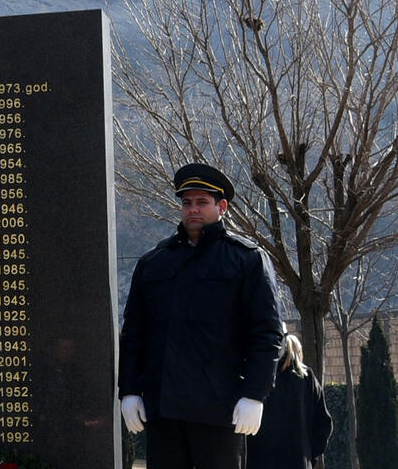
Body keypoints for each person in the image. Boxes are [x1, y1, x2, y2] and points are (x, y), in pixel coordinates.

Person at [118, 163, 284, 469]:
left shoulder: (246, 259)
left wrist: (255, 394)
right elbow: (134, 335)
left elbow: (267, 333)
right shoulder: (154, 263)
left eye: (202, 202)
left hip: (219, 408)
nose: (193, 209)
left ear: (221, 207)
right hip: (164, 408)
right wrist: (128, 390)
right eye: (187, 203)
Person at [247, 333, 332, 469]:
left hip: (261, 459)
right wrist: (309, 455)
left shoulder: (261, 378)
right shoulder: (308, 378)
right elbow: (323, 424)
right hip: (299, 460)